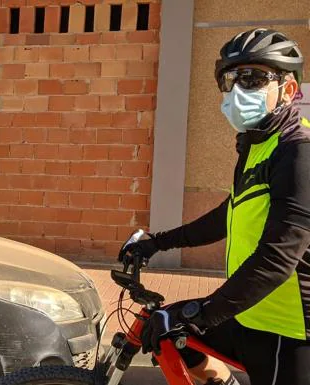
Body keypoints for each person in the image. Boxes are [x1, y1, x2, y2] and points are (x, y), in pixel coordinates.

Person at [122, 28, 310, 385]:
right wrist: (156, 242)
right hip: (248, 314)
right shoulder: (257, 146)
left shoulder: (299, 150)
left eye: (253, 78)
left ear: (287, 90)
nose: (239, 91)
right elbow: (229, 215)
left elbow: (280, 256)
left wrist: (203, 313)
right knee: (165, 331)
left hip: (288, 333)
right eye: (231, 79)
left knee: (181, 322)